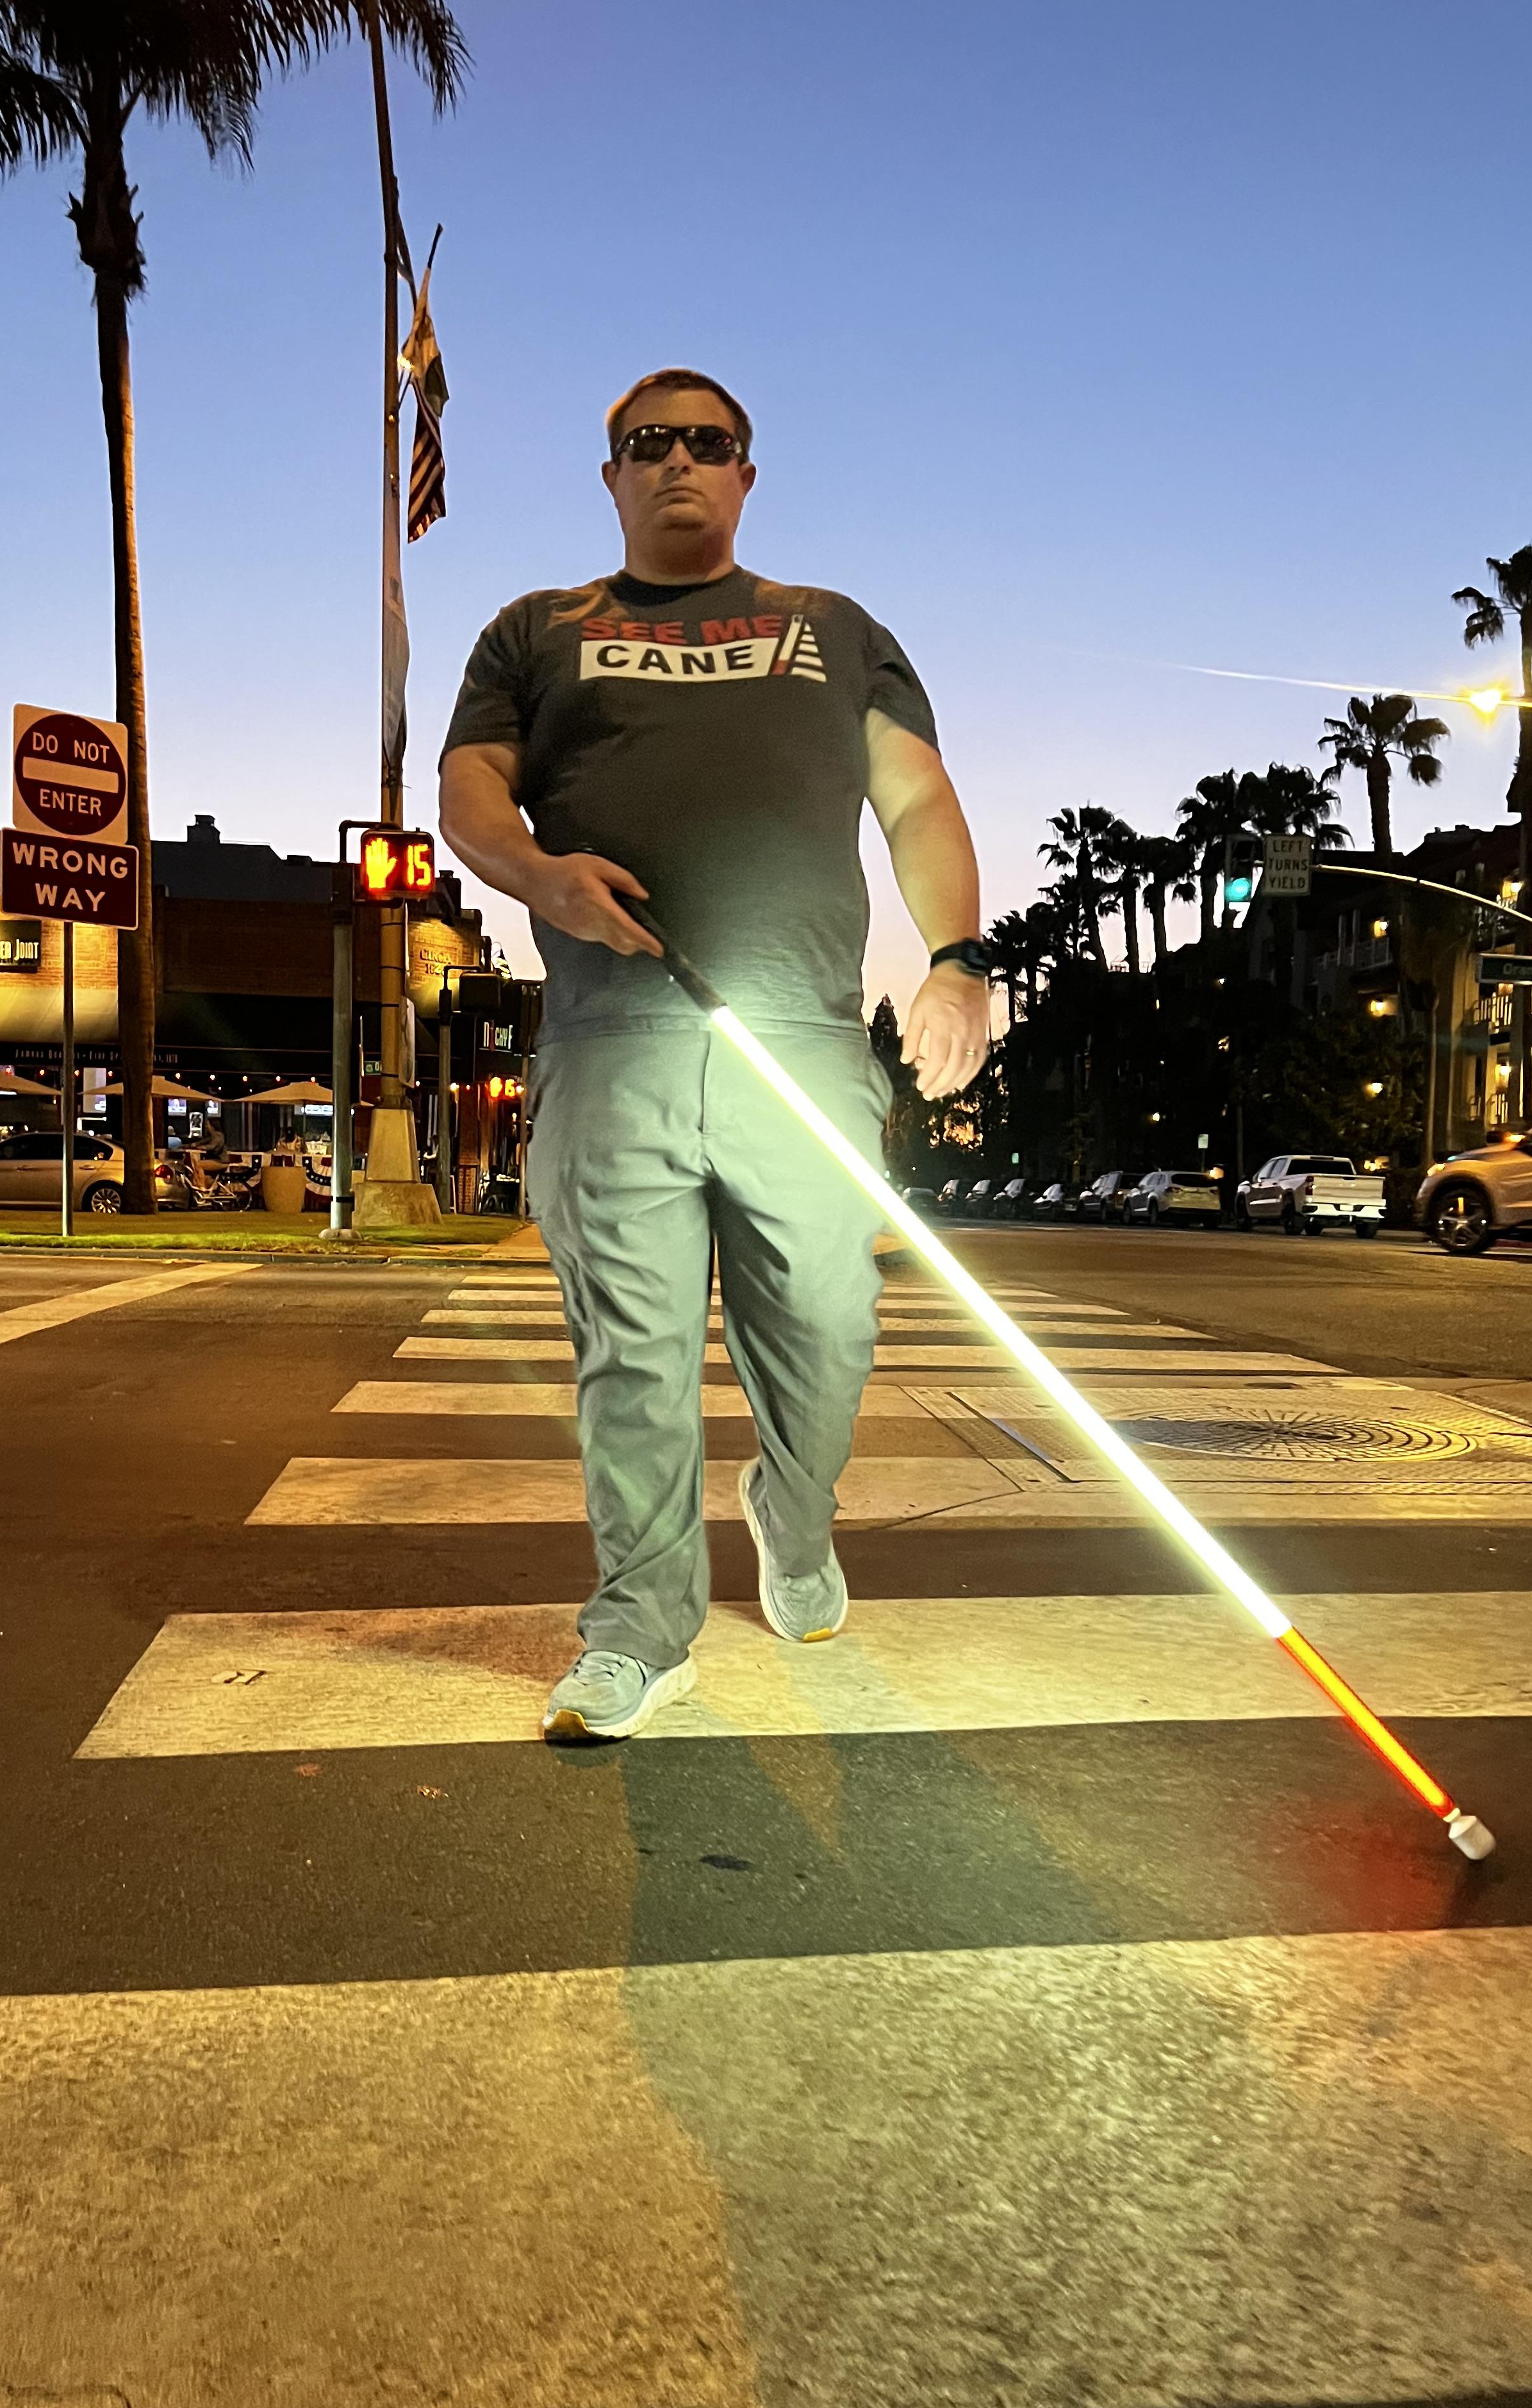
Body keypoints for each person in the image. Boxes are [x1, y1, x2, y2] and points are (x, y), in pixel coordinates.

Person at [440, 367, 989, 1742]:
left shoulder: (834, 630)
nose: (680, 460)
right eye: (649, 444)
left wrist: (957, 960)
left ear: (747, 474)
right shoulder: (534, 631)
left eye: (711, 443)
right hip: (613, 1038)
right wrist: (536, 873)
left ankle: (793, 1520)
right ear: (612, 474)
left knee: (827, 1327)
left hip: (797, 1037)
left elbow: (915, 794)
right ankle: (641, 1627)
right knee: (631, 1355)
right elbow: (470, 793)